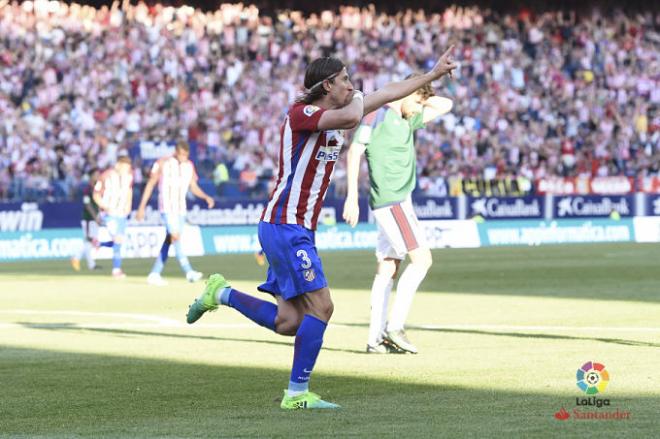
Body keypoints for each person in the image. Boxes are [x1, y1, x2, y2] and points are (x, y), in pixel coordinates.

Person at [185, 47, 457, 410]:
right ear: (327, 85)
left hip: (295, 228)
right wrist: (361, 97)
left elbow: (391, 93)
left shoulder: (344, 107)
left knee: (288, 322)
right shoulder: (303, 113)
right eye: (345, 79)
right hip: (285, 225)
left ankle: (221, 294)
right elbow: (353, 116)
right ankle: (296, 395)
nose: (352, 84)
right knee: (323, 307)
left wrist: (432, 74)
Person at [343, 76, 454, 354]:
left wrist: (421, 95)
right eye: (417, 102)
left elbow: (446, 105)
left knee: (388, 266)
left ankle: (374, 339)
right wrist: (352, 197)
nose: (419, 109)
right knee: (422, 261)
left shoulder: (408, 120)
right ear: (406, 94)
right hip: (392, 201)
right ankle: (395, 326)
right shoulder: (376, 115)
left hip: (399, 201)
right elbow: (355, 151)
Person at [136, 140, 215, 286]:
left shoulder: (189, 166)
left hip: (181, 209)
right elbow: (150, 184)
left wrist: (205, 196)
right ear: (176, 152)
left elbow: (193, 186)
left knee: (170, 240)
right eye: (181, 155)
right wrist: (142, 207)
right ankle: (189, 271)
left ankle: (154, 273)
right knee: (175, 237)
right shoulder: (163, 163)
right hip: (167, 208)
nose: (184, 158)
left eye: (186, 155)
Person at [93, 156, 133, 279]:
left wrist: (128, 206)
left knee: (119, 242)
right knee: (117, 239)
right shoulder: (106, 176)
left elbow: (129, 191)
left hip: (122, 213)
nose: (126, 169)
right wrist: (104, 206)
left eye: (128, 167)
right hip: (109, 214)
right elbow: (96, 194)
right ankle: (116, 270)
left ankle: (100, 244)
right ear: (118, 165)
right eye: (124, 166)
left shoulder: (129, 177)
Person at [71, 168, 101, 271]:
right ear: (91, 176)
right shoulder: (87, 190)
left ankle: (91, 265)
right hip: (88, 219)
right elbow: (87, 204)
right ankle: (76, 258)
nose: (98, 177)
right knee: (88, 240)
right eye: (96, 175)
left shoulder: (97, 189)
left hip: (94, 219)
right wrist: (95, 217)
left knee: (90, 241)